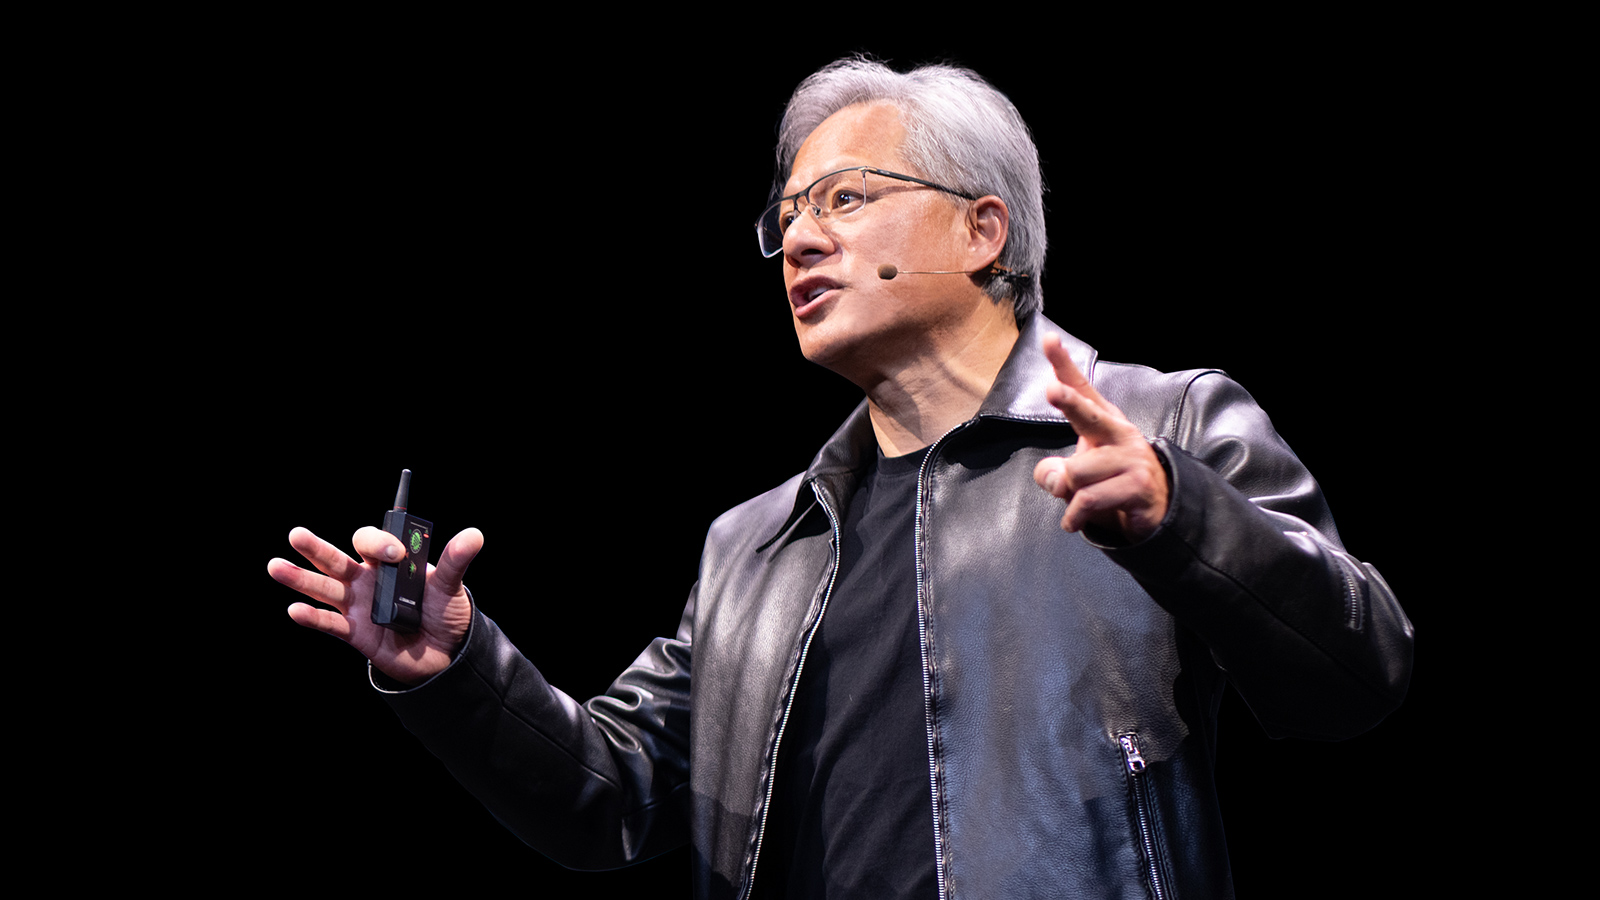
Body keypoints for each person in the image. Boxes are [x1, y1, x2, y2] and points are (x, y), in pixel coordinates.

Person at [268, 58, 1413, 899]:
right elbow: (611, 799)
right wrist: (457, 670)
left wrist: (1180, 517)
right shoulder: (757, 545)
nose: (802, 241)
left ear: (982, 230)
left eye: (845, 199)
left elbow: (1356, 675)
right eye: (788, 217)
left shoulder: (1163, 425)